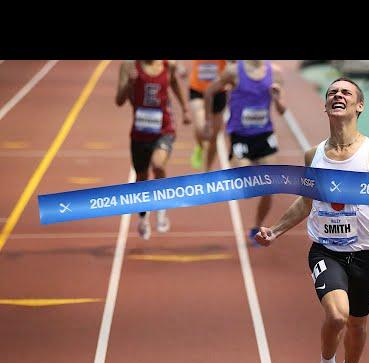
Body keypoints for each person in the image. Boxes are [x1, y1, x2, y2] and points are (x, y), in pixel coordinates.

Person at [254, 78, 369, 363]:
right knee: (336, 315)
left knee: (357, 324)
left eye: (346, 93)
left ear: (359, 106)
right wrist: (275, 231)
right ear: (326, 107)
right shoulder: (315, 155)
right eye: (332, 93)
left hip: (365, 256)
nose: (338, 96)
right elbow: (305, 203)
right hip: (326, 251)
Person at [205, 60, 286, 244]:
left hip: (264, 135)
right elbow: (209, 91)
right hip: (240, 136)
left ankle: (257, 226)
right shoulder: (233, 71)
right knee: (248, 181)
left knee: (270, 186)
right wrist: (209, 121)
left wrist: (277, 97)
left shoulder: (275, 73)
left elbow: (282, 110)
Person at [115, 60, 191, 240]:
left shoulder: (168, 65)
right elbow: (119, 101)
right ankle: (143, 217)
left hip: (164, 129)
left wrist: (185, 109)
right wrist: (129, 84)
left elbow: (174, 84)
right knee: (141, 178)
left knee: (158, 164)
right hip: (140, 132)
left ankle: (162, 206)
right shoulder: (129, 66)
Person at [187, 60, 228, 171]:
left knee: (213, 136)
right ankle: (200, 146)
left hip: (218, 92)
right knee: (201, 128)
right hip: (198, 89)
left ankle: (207, 170)